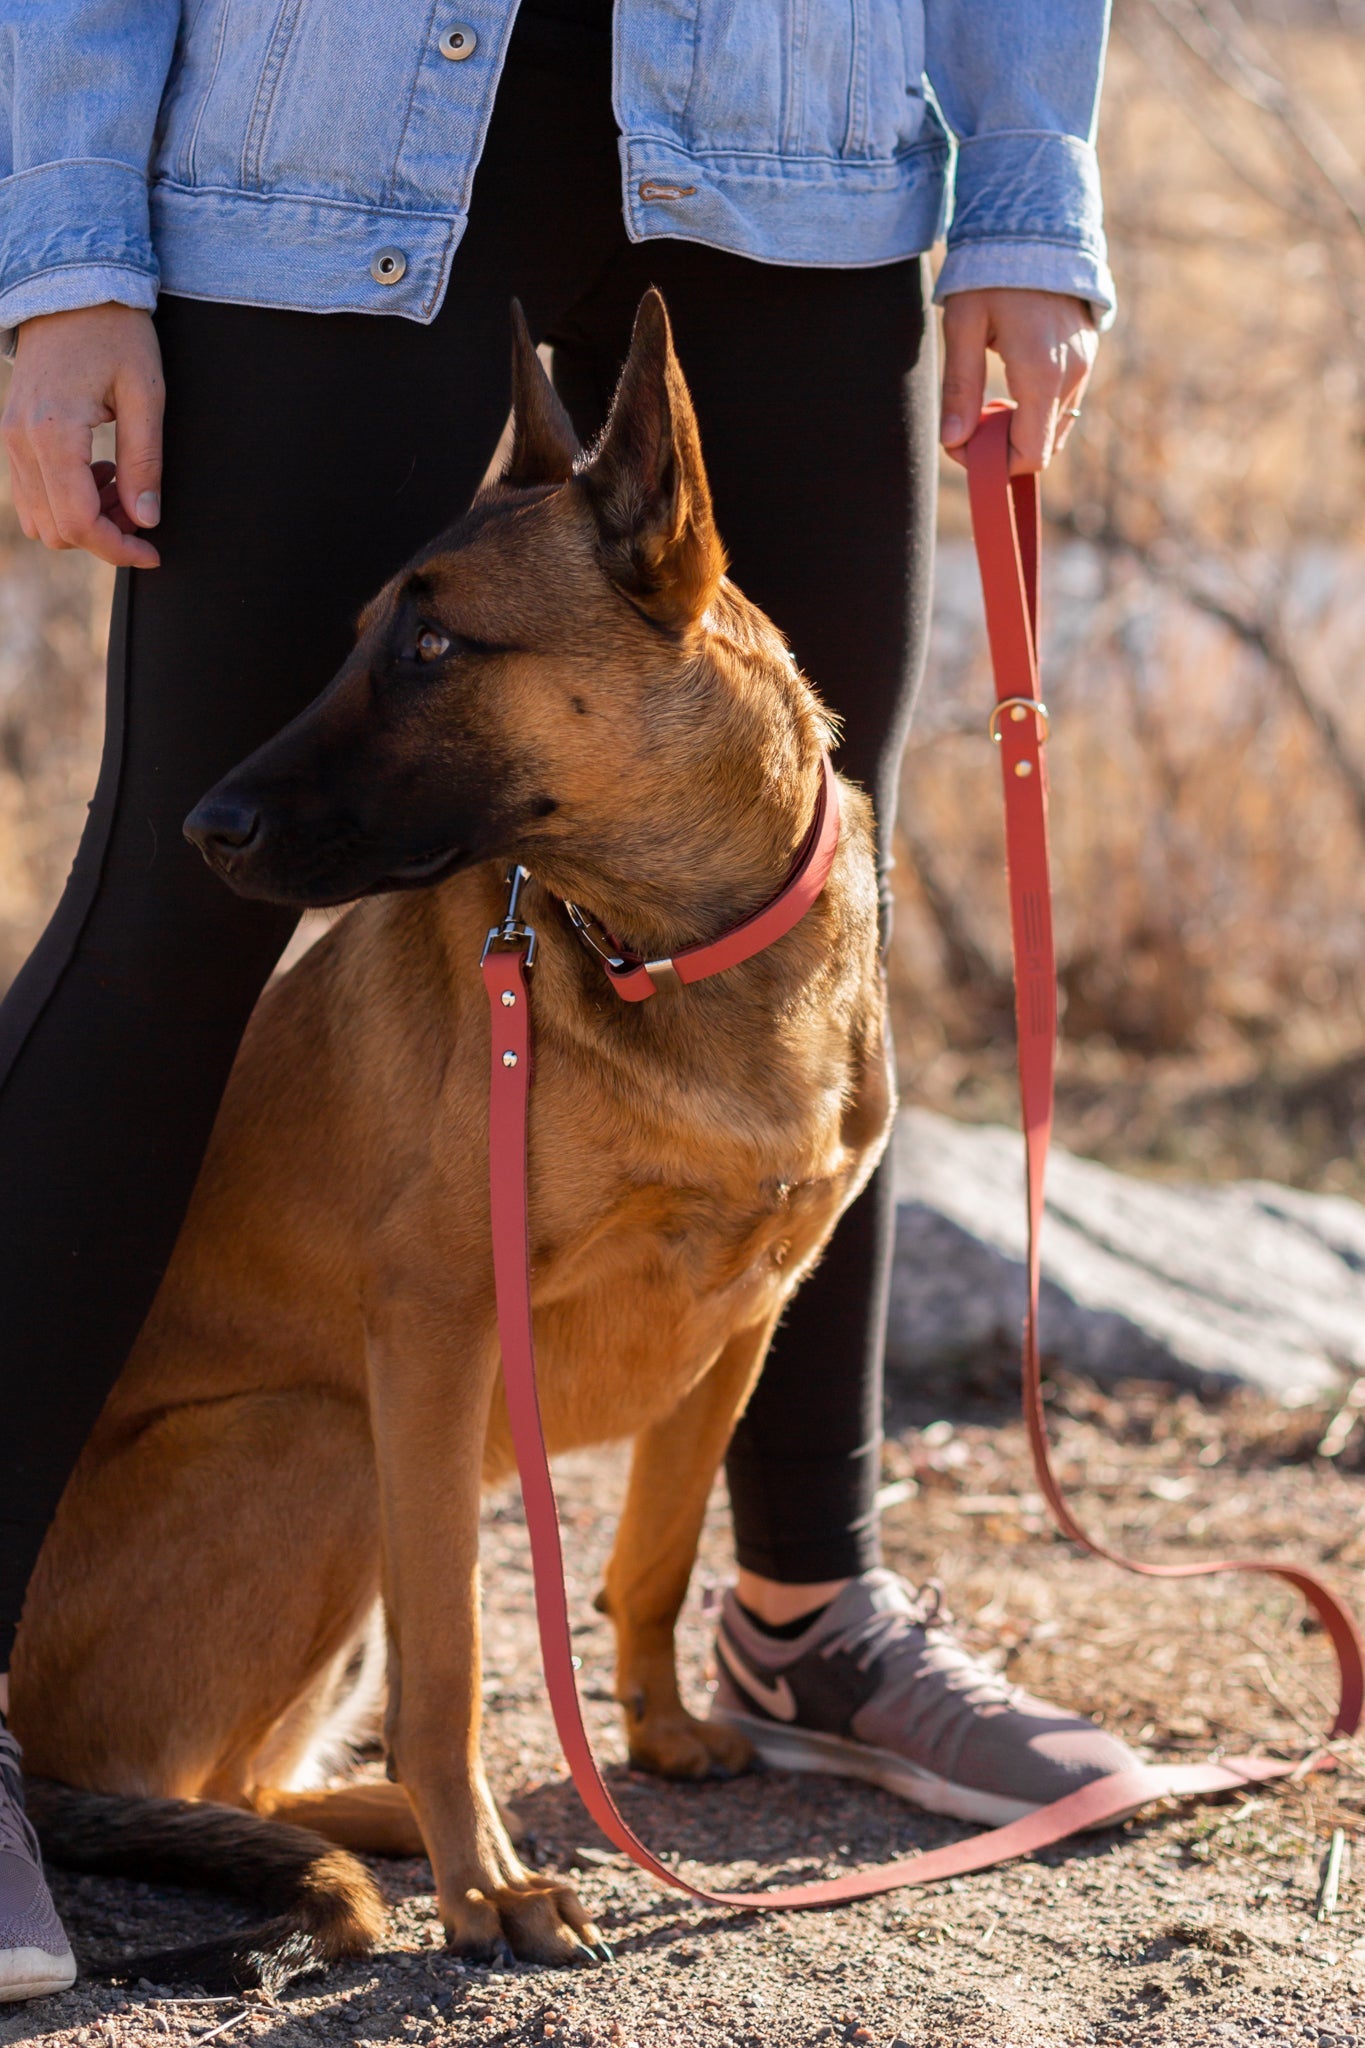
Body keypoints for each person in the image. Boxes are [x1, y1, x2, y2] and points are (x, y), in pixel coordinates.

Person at [0, 0, 1133, 1997]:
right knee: (180, 905)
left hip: (795, 126)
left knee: (800, 888)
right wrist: (66, 248)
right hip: (316, 130)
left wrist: (1028, 197)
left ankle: (804, 1607)